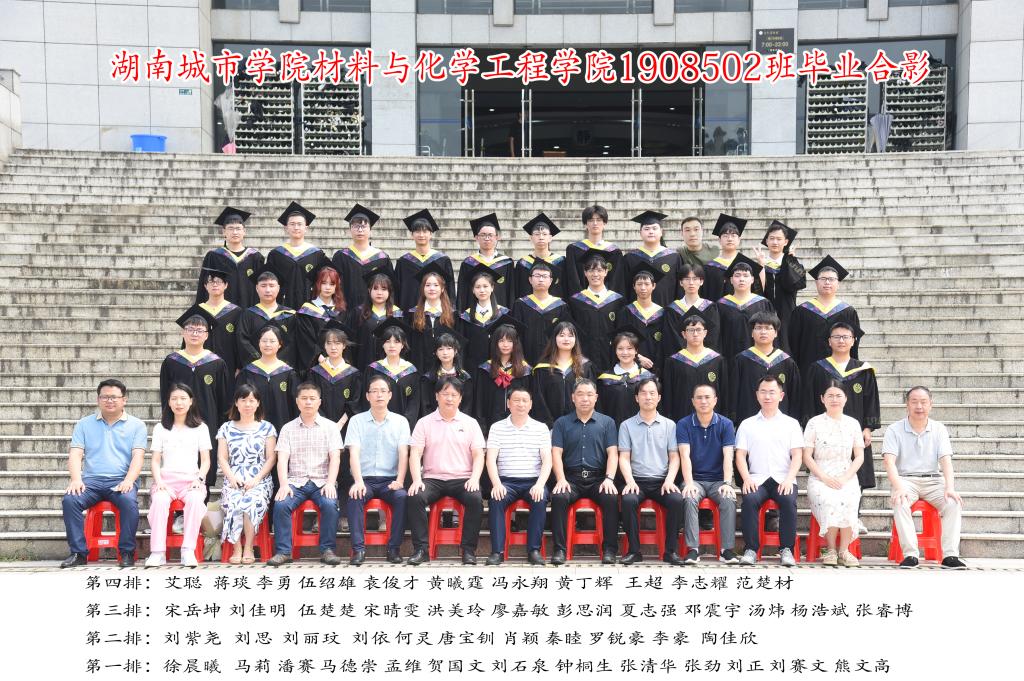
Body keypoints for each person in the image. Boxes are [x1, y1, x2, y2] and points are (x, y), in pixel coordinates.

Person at [61, 379, 148, 568]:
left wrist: (129, 480)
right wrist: (76, 479)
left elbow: (138, 456)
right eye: (105, 397)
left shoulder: (137, 425)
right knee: (70, 500)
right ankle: (78, 553)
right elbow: (75, 454)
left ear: (124, 400)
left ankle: (126, 553)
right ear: (98, 399)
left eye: (114, 397)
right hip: (91, 482)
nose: (109, 401)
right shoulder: (84, 424)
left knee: (129, 502)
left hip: (120, 480)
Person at [802, 321, 880, 521]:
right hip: (824, 430)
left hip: (854, 430)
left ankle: (855, 516)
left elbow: (871, 399)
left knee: (857, 470)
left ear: (853, 341)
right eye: (837, 337)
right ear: (829, 341)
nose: (841, 341)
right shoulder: (817, 369)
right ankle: (825, 515)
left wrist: (868, 427)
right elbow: (809, 400)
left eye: (846, 337)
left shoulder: (863, 370)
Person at [406, 376, 487, 565]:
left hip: (462, 479)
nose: (449, 398)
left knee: (476, 499)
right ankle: (421, 549)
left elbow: (478, 455)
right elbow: (415, 453)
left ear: (460, 398)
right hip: (433, 478)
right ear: (437, 396)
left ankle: (468, 550)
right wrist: (417, 480)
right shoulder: (424, 423)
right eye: (445, 394)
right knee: (415, 496)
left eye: (454, 395)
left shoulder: (470, 423)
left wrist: (474, 479)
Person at [882, 386, 966, 568]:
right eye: (914, 402)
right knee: (900, 501)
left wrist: (950, 487)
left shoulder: (939, 429)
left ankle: (950, 556)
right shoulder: (894, 429)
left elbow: (946, 461)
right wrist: (899, 487)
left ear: (930, 405)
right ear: (907, 405)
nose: (919, 406)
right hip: (905, 479)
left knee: (953, 503)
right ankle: (910, 555)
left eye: (923, 402)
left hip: (933, 480)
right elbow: (889, 462)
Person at [266, 382, 344, 566]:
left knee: (330, 504)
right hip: (295, 482)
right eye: (304, 398)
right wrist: (284, 485)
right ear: (297, 401)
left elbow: (335, 458)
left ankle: (327, 550)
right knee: (281, 505)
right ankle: (284, 551)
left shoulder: (330, 427)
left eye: (312, 398)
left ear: (319, 402)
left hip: (322, 481)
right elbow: (282, 459)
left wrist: (331, 483)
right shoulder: (287, 428)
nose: (308, 402)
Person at [549, 379, 620, 565]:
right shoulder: (561, 423)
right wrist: (560, 479)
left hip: (598, 479)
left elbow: (613, 453)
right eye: (580, 394)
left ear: (596, 397)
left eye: (589, 394)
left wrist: (609, 479)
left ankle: (610, 550)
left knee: (611, 497)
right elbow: (556, 453)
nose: (585, 399)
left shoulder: (607, 423)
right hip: (571, 479)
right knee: (559, 497)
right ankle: (559, 550)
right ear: (573, 397)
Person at [735, 375, 803, 566]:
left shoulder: (791, 424)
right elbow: (740, 455)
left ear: (781, 395)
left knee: (788, 501)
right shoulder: (747, 424)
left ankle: (786, 549)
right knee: (749, 500)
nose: (767, 396)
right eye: (763, 392)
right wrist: (746, 478)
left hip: (783, 478)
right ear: (757, 395)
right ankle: (750, 549)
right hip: (757, 479)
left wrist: (789, 479)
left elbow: (797, 455)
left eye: (772, 392)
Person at [618, 377, 687, 566]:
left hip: (662, 481)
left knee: (676, 500)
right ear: (636, 398)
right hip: (636, 480)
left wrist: (670, 480)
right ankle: (634, 551)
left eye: (652, 393)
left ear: (659, 397)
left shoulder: (669, 425)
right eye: (643, 393)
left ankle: (670, 551)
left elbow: (674, 457)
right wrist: (630, 481)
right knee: (628, 500)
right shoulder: (626, 425)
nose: (648, 397)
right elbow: (623, 457)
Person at [345, 375, 411, 566]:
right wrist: (358, 481)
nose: (379, 395)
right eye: (374, 391)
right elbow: (353, 453)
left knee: (402, 497)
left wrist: (400, 480)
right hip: (364, 479)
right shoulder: (356, 421)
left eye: (383, 391)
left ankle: (394, 548)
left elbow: (403, 453)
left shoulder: (401, 422)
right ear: (367, 396)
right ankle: (358, 549)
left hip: (390, 480)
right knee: (355, 496)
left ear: (390, 395)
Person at [161, 310, 230, 490]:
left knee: (205, 459)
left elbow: (223, 398)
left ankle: (202, 500)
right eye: (190, 329)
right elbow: (165, 395)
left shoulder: (216, 363)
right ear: (183, 333)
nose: (194, 334)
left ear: (206, 335)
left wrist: (220, 424)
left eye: (199, 330)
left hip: (208, 419)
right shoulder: (171, 361)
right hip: (178, 420)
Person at [145, 384, 211, 567]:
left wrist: (199, 479)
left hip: (191, 481)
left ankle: (187, 550)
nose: (179, 403)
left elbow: (206, 461)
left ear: (191, 402)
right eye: (174, 399)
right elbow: (155, 461)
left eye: (183, 398)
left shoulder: (201, 428)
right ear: (168, 402)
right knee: (159, 501)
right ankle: (157, 552)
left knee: (195, 500)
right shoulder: (161, 428)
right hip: (166, 481)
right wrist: (159, 482)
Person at [484, 386, 552, 566]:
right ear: (508, 403)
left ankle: (534, 550)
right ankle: (497, 552)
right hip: (506, 482)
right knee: (495, 499)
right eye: (516, 400)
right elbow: (490, 459)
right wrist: (496, 484)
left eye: (524, 401)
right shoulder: (497, 427)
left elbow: (547, 461)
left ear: (530, 404)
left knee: (540, 498)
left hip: (533, 481)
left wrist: (540, 485)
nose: (520, 404)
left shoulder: (541, 428)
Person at [803, 380, 865, 567]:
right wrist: (824, 477)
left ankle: (844, 550)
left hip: (846, 476)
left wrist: (845, 478)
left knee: (849, 498)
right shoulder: (814, 423)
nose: (834, 399)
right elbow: (806, 456)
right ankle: (830, 549)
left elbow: (859, 456)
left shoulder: (853, 424)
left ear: (846, 399)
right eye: (830, 396)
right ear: (822, 399)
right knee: (829, 499)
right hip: (820, 477)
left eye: (838, 395)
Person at [678, 383, 739, 564]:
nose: (703, 401)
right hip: (694, 479)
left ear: (715, 400)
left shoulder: (726, 424)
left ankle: (726, 550)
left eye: (707, 397)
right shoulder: (684, 424)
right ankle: (693, 549)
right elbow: (684, 455)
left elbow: (728, 456)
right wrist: (689, 483)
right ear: (693, 401)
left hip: (717, 481)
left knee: (728, 498)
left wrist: (727, 483)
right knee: (689, 497)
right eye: (699, 397)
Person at [217, 383, 277, 565]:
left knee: (250, 500)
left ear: (258, 403)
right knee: (234, 500)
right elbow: (222, 458)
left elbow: (271, 458)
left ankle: (249, 547)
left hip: (260, 479)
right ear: (236, 403)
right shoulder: (226, 428)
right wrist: (231, 478)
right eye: (243, 400)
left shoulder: (267, 428)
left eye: (252, 400)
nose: (248, 404)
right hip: (233, 477)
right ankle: (236, 548)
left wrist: (256, 479)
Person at [788, 255, 862, 375]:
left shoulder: (848, 312)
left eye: (831, 279)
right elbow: (794, 344)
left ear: (838, 283)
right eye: (823, 279)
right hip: (808, 372)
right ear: (816, 282)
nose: (827, 282)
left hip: (839, 372)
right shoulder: (801, 311)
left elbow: (853, 346)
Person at [732, 311, 801, 425]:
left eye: (768, 328)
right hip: (748, 421)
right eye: (758, 328)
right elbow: (733, 394)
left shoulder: (787, 362)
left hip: (781, 423)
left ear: (776, 333)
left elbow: (794, 396)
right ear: (752, 333)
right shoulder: (741, 360)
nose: (763, 332)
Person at [662, 310, 728, 422]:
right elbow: (668, 394)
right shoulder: (673, 361)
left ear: (705, 333)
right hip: (682, 417)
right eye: (691, 330)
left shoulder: (717, 360)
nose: (695, 334)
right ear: (684, 334)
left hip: (712, 420)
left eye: (698, 330)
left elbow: (724, 392)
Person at [567, 251, 627, 372]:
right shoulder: (576, 301)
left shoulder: (617, 300)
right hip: (584, 357)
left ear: (606, 272)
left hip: (611, 356)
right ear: (585, 273)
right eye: (591, 270)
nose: (595, 274)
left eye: (599, 270)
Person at [472, 318, 533, 435]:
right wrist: (482, 430)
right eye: (501, 341)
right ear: (495, 343)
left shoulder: (525, 371)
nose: (505, 345)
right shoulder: (485, 370)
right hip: (491, 426)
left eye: (510, 341)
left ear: (516, 343)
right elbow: (479, 402)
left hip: (520, 427)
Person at [532, 321, 597, 428]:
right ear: (554, 338)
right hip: (550, 427)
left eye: (570, 336)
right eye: (562, 335)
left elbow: (590, 397)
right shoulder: (542, 368)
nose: (566, 339)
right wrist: (549, 424)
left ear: (575, 339)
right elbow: (539, 398)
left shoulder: (585, 367)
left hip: (579, 425)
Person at [195, 206, 263, 310]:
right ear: (224, 232)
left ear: (244, 231)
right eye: (230, 228)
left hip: (249, 311)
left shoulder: (255, 257)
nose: (235, 232)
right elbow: (204, 287)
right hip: (221, 312)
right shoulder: (214, 256)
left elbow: (261, 286)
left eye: (238, 228)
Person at [265, 201, 329, 310]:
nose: (296, 227)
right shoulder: (276, 254)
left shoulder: (317, 254)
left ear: (306, 228)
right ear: (286, 228)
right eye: (292, 224)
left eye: (299, 224)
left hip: (310, 309)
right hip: (282, 308)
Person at [235, 323, 299, 432]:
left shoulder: (288, 373)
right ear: (259, 343)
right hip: (252, 431)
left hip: (282, 429)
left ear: (280, 344)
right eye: (264, 341)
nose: (267, 344)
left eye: (272, 341)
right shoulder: (247, 372)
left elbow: (295, 405)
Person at [331, 203, 395, 312]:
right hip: (347, 312)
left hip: (376, 314)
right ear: (350, 230)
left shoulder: (382, 258)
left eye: (364, 226)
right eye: (356, 226)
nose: (360, 230)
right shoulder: (341, 257)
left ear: (370, 229)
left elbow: (390, 288)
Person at [754, 220, 805, 353]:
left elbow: (794, 285)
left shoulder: (793, 263)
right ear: (766, 241)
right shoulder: (760, 263)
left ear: (786, 242)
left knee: (787, 349)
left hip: (788, 315)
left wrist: (790, 262)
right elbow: (758, 291)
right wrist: (761, 266)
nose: (775, 242)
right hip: (764, 314)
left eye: (779, 239)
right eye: (771, 238)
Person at [510, 260, 572, 365]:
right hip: (525, 359)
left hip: (553, 360)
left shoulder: (560, 305)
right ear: (530, 279)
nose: (541, 279)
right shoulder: (520, 304)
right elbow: (516, 335)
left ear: (551, 280)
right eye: (537, 276)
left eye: (544, 276)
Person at [716, 255, 774, 368]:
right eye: (737, 275)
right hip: (729, 358)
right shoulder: (721, 305)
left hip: (758, 359)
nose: (741, 279)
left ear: (752, 279)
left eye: (746, 275)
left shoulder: (763, 303)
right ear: (731, 280)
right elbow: (717, 337)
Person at [363, 319, 422, 428]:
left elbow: (414, 404)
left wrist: (405, 426)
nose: (392, 345)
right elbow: (366, 400)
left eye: (396, 342)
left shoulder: (411, 372)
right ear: (382, 344)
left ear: (403, 345)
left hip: (402, 427)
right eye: (387, 341)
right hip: (376, 425)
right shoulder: (373, 369)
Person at [306, 321, 362, 433]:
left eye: (337, 343)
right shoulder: (315, 372)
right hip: (319, 426)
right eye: (329, 343)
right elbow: (311, 398)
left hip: (345, 427)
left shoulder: (353, 374)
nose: (333, 347)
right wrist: (324, 423)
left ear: (344, 345)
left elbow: (355, 402)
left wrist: (340, 424)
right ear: (324, 346)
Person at [395, 209, 456, 311]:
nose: (421, 235)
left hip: (438, 314)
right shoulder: (403, 262)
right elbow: (397, 292)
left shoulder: (442, 260)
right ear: (412, 235)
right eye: (417, 231)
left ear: (431, 234)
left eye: (425, 231)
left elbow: (450, 290)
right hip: (409, 314)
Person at [236, 269, 296, 368]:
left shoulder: (289, 314)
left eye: (271, 286)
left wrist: (276, 361)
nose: (268, 290)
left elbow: (293, 343)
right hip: (255, 368)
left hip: (281, 369)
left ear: (278, 288)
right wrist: (259, 361)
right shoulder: (248, 314)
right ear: (257, 288)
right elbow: (242, 340)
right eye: (263, 286)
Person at [293, 264, 346, 373]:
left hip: (338, 364)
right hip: (316, 365)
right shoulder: (306, 311)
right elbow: (305, 340)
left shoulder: (341, 311)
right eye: (324, 283)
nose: (328, 287)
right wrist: (319, 357)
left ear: (336, 286)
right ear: (317, 284)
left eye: (332, 284)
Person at [456, 213, 515, 311]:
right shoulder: (468, 263)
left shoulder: (506, 263)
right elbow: (463, 293)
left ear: (497, 237)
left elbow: (511, 293)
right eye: (483, 235)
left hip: (501, 315)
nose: (487, 238)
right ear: (476, 237)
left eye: (490, 235)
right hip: (474, 315)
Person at [191, 267, 244, 376]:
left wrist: (239, 366)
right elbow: (188, 339)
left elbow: (239, 341)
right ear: (205, 286)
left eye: (218, 281)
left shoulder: (236, 312)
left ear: (226, 285)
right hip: (201, 365)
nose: (215, 284)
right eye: (211, 281)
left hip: (229, 365)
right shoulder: (197, 311)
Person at [457, 263, 510, 371]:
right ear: (473, 290)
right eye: (478, 287)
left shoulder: (504, 314)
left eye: (485, 286)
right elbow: (462, 348)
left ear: (492, 288)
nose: (482, 290)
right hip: (472, 369)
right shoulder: (465, 317)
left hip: (498, 369)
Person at [623, 210, 681, 307]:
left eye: (654, 228)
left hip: (666, 311)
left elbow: (680, 289)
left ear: (661, 232)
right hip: (638, 313)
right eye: (646, 229)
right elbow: (626, 288)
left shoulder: (674, 257)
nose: (651, 232)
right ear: (640, 233)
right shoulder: (630, 258)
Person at [596, 331, 655, 427]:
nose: (625, 352)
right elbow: (600, 409)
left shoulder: (648, 377)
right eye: (620, 348)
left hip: (642, 429)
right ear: (615, 350)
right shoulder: (605, 380)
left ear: (636, 351)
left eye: (629, 348)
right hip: (613, 430)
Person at [349, 269, 403, 371]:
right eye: (375, 288)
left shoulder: (397, 314)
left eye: (384, 289)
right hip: (363, 364)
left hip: (389, 368)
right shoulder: (358, 313)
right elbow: (351, 343)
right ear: (369, 290)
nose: (379, 293)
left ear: (389, 291)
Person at [408, 262, 458, 372]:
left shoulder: (453, 314)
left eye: (436, 285)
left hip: (445, 369)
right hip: (419, 366)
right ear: (422, 288)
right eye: (427, 285)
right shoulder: (413, 313)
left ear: (442, 288)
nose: (432, 288)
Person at [565, 204, 624, 296]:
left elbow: (616, 282)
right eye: (591, 220)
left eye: (599, 220)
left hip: (607, 301)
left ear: (604, 223)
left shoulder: (614, 252)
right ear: (585, 224)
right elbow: (573, 280)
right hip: (580, 300)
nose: (595, 223)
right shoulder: (574, 250)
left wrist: (609, 300)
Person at [616, 261, 665, 371]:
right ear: (634, 286)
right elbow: (620, 340)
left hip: (657, 367)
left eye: (647, 284)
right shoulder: (626, 312)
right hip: (631, 367)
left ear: (654, 286)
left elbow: (665, 344)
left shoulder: (663, 313)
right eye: (639, 284)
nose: (643, 288)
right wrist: (638, 357)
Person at [665, 263, 721, 354]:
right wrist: (686, 355)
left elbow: (713, 335)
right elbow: (672, 337)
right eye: (687, 279)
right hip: (680, 358)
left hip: (704, 357)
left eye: (695, 279)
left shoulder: (710, 307)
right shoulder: (673, 309)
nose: (691, 283)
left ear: (701, 281)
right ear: (681, 282)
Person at [420, 330, 474, 415]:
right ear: (436, 353)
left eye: (449, 348)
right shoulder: (429, 378)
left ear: (455, 351)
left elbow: (467, 406)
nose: (445, 353)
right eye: (440, 349)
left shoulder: (464, 377)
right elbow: (426, 406)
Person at [701, 213, 750, 301]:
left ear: (739, 240)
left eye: (733, 235)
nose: (729, 239)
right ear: (719, 240)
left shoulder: (747, 265)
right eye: (725, 236)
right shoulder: (709, 268)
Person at [515, 213, 565, 299]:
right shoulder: (523, 264)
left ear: (550, 238)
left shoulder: (561, 262)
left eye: (544, 234)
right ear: (531, 238)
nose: (541, 237)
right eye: (537, 234)